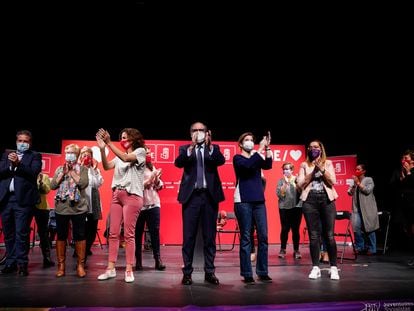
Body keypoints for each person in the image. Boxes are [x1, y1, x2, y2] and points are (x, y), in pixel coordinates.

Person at [174, 121, 225, 285]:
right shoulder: (185, 149)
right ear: (190, 134)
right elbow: (179, 163)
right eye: (195, 130)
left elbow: (220, 161)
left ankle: (209, 272)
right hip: (191, 197)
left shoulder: (214, 148)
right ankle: (187, 272)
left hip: (209, 197)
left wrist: (209, 146)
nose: (198, 132)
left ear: (207, 132)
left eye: (201, 130)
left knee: (209, 237)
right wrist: (191, 148)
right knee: (188, 237)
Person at [96, 128, 145, 283]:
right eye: (121, 138)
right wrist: (103, 150)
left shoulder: (140, 152)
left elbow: (125, 158)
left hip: (132, 196)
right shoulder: (118, 156)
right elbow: (106, 166)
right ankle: (110, 269)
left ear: (133, 138)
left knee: (129, 234)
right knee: (113, 233)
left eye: (125, 137)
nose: (123, 140)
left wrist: (109, 142)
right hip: (117, 194)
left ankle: (129, 269)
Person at [0, 130, 42, 276]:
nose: (22, 143)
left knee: (21, 234)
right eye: (20, 141)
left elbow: (33, 172)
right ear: (16, 141)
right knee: (8, 234)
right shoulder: (7, 155)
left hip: (23, 201)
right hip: (6, 200)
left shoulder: (34, 156)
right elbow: (1, 171)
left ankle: (22, 264)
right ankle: (10, 262)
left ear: (30, 143)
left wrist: (19, 164)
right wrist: (11, 165)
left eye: (25, 141)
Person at [297, 139, 340, 280]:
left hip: (327, 200)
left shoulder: (328, 163)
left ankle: (334, 267)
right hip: (310, 201)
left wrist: (321, 169)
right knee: (314, 236)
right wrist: (313, 171)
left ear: (321, 149)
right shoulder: (304, 164)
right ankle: (316, 267)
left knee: (329, 235)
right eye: (310, 147)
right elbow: (300, 184)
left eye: (316, 147)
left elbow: (332, 181)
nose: (313, 149)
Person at [233, 131, 273, 284]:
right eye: (247, 140)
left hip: (258, 201)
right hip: (243, 201)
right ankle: (247, 273)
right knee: (246, 237)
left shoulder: (257, 157)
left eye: (252, 140)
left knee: (263, 236)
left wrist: (267, 148)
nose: (250, 142)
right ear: (241, 144)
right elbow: (248, 166)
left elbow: (268, 165)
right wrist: (261, 148)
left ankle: (262, 271)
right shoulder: (238, 158)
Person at [50, 143, 89, 278]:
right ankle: (61, 266)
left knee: (80, 235)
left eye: (72, 153)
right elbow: (52, 185)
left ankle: (80, 265)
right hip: (62, 208)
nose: (69, 155)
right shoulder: (60, 169)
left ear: (77, 155)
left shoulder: (83, 169)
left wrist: (72, 171)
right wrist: (63, 173)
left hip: (78, 208)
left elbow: (83, 183)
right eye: (67, 153)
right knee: (61, 236)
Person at [135, 148, 166, 271]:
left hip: (154, 203)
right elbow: (136, 186)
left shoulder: (152, 167)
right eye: (146, 152)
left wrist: (157, 179)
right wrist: (150, 179)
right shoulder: (136, 168)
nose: (148, 154)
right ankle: (138, 261)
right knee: (138, 234)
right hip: (139, 205)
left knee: (155, 232)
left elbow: (159, 186)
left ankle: (158, 260)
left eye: (149, 152)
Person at [347, 163, 379, 256]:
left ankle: (372, 248)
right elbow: (349, 193)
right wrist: (353, 185)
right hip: (357, 209)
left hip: (368, 209)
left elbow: (367, 190)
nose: (356, 171)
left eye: (358, 169)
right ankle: (360, 247)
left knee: (369, 228)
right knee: (357, 229)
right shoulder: (354, 182)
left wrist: (358, 183)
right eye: (356, 169)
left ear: (363, 171)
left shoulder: (369, 180)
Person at [78, 146, 104, 258]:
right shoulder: (76, 168)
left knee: (92, 228)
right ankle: (79, 249)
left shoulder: (95, 170)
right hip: (81, 200)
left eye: (88, 154)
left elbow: (98, 184)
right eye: (83, 154)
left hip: (93, 200)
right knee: (80, 228)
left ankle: (87, 248)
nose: (85, 156)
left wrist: (94, 170)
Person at [390, 149, 414, 266]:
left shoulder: (412, 170)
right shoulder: (399, 171)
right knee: (409, 231)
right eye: (403, 158)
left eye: (407, 158)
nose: (405, 161)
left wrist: (409, 172)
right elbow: (395, 186)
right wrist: (403, 176)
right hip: (405, 205)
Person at [276, 162, 302, 260]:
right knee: (285, 229)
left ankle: (296, 250)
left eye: (288, 169)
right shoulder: (280, 181)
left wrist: (297, 183)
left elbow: (301, 191)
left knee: (295, 229)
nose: (286, 171)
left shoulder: (297, 179)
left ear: (292, 170)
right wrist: (285, 184)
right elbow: (280, 195)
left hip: (297, 207)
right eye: (284, 169)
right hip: (284, 208)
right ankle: (283, 249)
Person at [34, 172, 55, 268]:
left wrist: (41, 181)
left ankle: (47, 258)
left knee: (43, 233)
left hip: (42, 207)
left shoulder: (44, 176)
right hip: (27, 205)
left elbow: (46, 190)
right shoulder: (26, 175)